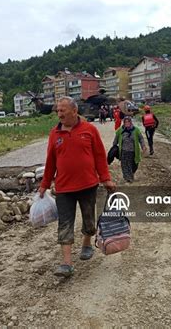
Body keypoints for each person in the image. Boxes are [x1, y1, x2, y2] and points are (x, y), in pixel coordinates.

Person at [38, 97, 116, 277]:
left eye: (63, 110)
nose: (59, 114)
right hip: (64, 188)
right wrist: (44, 184)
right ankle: (66, 263)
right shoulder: (54, 134)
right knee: (65, 223)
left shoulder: (89, 130)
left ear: (74, 111)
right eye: (58, 111)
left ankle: (87, 243)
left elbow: (99, 157)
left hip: (88, 184)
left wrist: (106, 178)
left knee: (89, 219)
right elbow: (50, 162)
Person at [113, 116, 146, 183]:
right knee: (125, 165)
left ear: (131, 122)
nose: (127, 123)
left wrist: (143, 146)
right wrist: (114, 147)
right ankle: (128, 177)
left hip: (134, 152)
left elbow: (141, 138)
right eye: (125, 122)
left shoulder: (136, 130)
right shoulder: (120, 130)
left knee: (134, 165)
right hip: (124, 151)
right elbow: (116, 139)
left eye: (128, 122)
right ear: (124, 123)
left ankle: (131, 174)